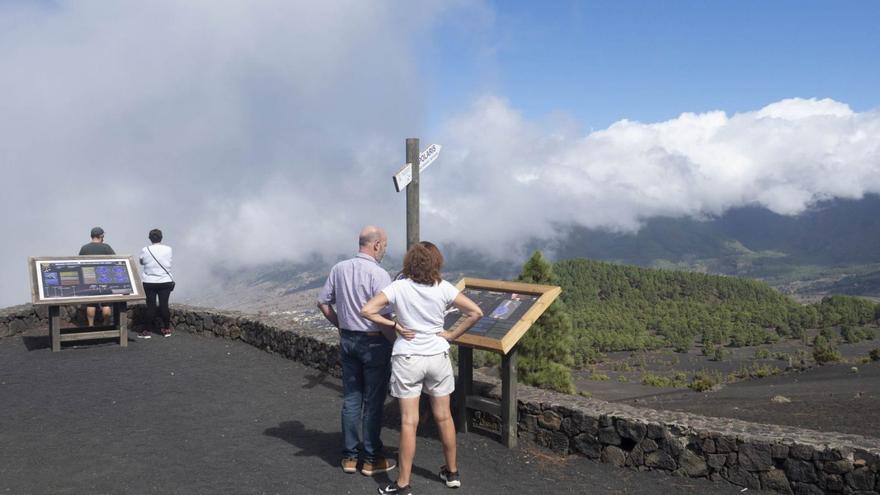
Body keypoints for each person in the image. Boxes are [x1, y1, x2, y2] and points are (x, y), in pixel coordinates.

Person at [361, 241, 483, 495]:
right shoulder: (444, 288)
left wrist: (394, 326)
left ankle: (403, 483)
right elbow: (475, 312)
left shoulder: (399, 287)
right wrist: (451, 335)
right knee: (444, 416)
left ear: (410, 263)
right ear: (436, 263)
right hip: (437, 355)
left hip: (408, 357)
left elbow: (367, 310)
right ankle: (451, 472)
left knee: (409, 422)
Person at [317, 225, 397, 476]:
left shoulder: (339, 269)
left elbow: (322, 302)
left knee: (352, 398)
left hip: (348, 341)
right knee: (373, 403)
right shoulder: (380, 274)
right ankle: (372, 458)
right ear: (376, 245)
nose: (384, 249)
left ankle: (350, 457)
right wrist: (395, 342)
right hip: (374, 343)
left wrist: (341, 324)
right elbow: (384, 316)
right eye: (384, 244)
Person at [139, 228, 174, 339]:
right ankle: (167, 329)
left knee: (151, 307)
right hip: (165, 281)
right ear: (161, 238)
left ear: (150, 238)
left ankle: (147, 331)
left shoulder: (145, 250)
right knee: (164, 305)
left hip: (150, 282)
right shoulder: (168, 249)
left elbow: (142, 261)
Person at [78, 226, 115, 326]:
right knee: (106, 303)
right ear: (101, 235)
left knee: (91, 303)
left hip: (89, 279)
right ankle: (106, 324)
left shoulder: (84, 248)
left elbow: (79, 264)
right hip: (105, 279)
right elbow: (115, 261)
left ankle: (90, 325)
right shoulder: (107, 247)